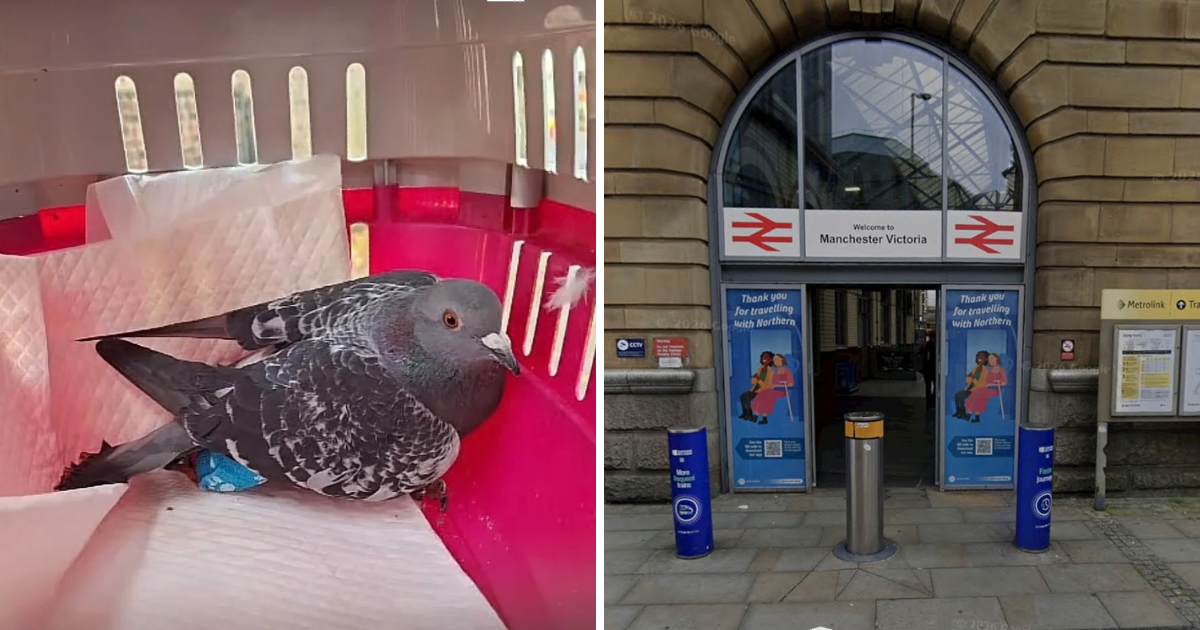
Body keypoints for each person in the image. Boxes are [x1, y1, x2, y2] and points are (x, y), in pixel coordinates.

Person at [750, 353, 795, 425]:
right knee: (761, 395)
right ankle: (760, 416)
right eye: (774, 360)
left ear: (782, 360)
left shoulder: (787, 371)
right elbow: (772, 382)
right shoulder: (775, 371)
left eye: (777, 360)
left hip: (782, 391)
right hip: (773, 390)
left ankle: (758, 416)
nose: (776, 362)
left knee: (766, 397)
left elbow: (790, 384)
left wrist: (779, 385)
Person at [964, 353, 1008, 422]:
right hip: (985, 388)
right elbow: (985, 380)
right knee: (975, 393)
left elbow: (1004, 383)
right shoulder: (989, 371)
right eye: (990, 360)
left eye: (993, 359)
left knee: (978, 394)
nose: (992, 362)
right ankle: (972, 414)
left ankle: (972, 416)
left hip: (995, 390)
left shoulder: (1001, 370)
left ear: (997, 360)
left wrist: (991, 384)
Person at [953, 350, 990, 421]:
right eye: (979, 355)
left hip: (976, 390)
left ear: (985, 359)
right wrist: (969, 377)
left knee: (961, 397)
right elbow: (967, 381)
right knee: (957, 395)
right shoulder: (975, 368)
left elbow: (982, 385)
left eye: (982, 356)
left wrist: (973, 379)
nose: (980, 357)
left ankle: (963, 414)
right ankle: (958, 412)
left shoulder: (985, 371)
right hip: (969, 388)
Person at [739, 351, 774, 422]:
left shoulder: (770, 373)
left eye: (767, 357)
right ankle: (744, 412)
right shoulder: (760, 369)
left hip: (763, 391)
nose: (764, 358)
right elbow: (753, 382)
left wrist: (758, 379)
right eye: (763, 357)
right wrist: (754, 378)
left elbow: (767, 386)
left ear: (770, 360)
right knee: (742, 396)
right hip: (755, 390)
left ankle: (750, 415)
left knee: (747, 397)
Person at [920, 330, 936, 408]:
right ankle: (930, 402)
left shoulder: (936, 346)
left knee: (935, 386)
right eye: (931, 338)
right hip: (928, 369)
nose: (933, 339)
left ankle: (932, 401)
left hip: (933, 369)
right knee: (928, 386)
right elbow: (921, 353)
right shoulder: (927, 346)